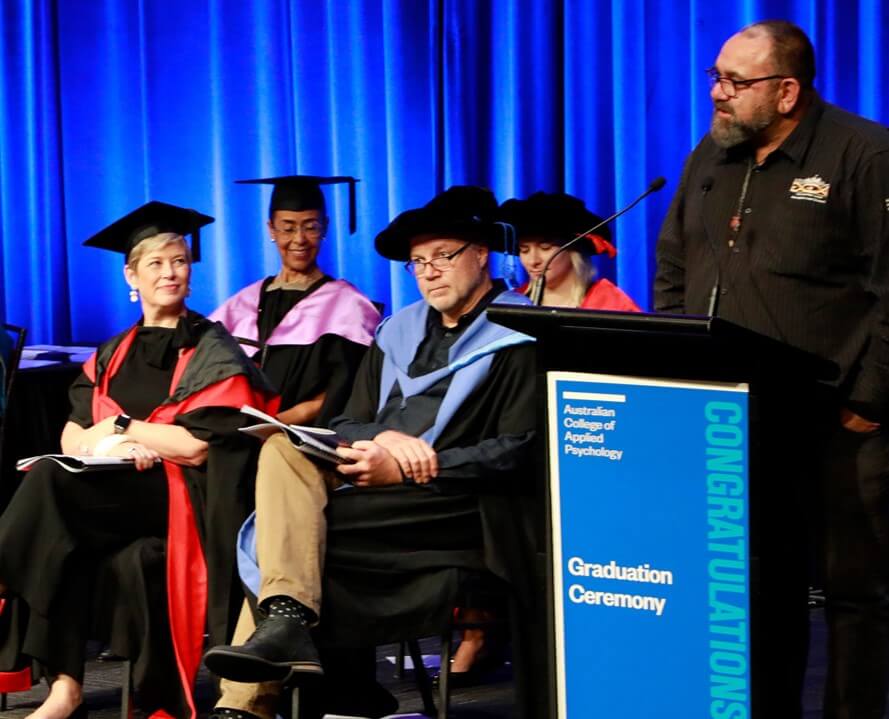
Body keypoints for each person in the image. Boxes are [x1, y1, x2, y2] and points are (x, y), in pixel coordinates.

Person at [202, 186, 540, 719]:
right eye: (417, 262)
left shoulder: (522, 333)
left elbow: (518, 450)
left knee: (283, 538)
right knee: (281, 452)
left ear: (481, 254)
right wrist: (381, 442)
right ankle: (290, 628)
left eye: (442, 256)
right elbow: (347, 420)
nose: (428, 272)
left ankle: (250, 704)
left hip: (453, 502)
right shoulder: (397, 332)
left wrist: (410, 467)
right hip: (373, 491)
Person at [654, 20, 889, 719]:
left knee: (854, 593)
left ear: (786, 92)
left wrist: (869, 400)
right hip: (733, 421)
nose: (718, 95)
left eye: (736, 83)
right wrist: (676, 365)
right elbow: (673, 263)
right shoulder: (712, 155)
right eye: (714, 79)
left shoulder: (863, 155)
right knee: (759, 586)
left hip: (838, 418)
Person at [0, 201, 278, 719]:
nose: (170, 272)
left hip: (178, 496)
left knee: (51, 487)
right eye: (156, 263)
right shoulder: (111, 351)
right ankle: (65, 691)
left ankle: (2, 566)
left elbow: (199, 447)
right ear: (132, 274)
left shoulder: (212, 347)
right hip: (112, 488)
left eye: (179, 260)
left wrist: (126, 427)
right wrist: (109, 448)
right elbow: (71, 434)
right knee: (62, 530)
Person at [210, 175, 380, 427]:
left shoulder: (348, 306)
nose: (299, 239)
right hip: (240, 435)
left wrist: (283, 422)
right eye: (287, 228)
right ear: (271, 229)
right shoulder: (241, 304)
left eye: (311, 226)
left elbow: (351, 388)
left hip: (307, 439)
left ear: (326, 227)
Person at [499, 191, 641, 310]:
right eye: (524, 250)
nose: (533, 261)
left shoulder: (610, 304)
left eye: (545, 248)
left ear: (574, 251)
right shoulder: (512, 305)